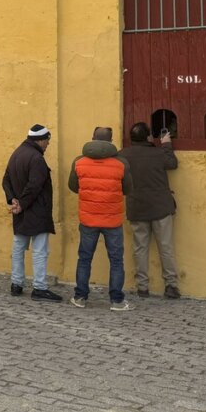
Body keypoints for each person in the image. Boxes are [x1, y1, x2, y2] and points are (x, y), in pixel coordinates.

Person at [68, 126, 133, 311]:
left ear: (93, 138)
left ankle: (80, 297)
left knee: (84, 258)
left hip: (88, 219)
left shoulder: (79, 162)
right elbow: (128, 189)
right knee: (116, 260)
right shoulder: (121, 163)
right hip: (112, 221)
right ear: (111, 141)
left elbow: (73, 186)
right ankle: (117, 301)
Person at [120, 122, 180, 299]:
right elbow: (173, 164)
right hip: (161, 207)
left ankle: (142, 287)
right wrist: (167, 144)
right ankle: (171, 286)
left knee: (140, 248)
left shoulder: (123, 155)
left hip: (137, 207)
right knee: (166, 248)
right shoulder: (159, 153)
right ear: (148, 137)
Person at [2, 124, 61, 301]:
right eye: (47, 141)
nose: (48, 144)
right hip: (36, 211)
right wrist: (22, 203)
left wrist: (13, 199)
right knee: (40, 250)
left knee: (18, 247)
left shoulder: (16, 154)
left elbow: (5, 180)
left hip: (21, 211)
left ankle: (16, 284)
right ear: (40, 140)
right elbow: (35, 185)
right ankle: (39, 287)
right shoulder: (36, 158)